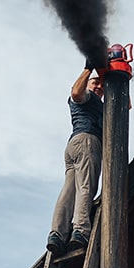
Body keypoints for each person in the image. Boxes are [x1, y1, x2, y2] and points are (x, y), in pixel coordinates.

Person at [46, 60, 104, 255]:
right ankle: (80, 231)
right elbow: (76, 93)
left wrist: (118, 80)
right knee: (86, 186)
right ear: (88, 83)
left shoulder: (100, 103)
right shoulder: (86, 96)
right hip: (87, 141)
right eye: (95, 83)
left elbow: (126, 106)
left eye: (101, 85)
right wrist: (89, 69)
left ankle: (58, 234)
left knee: (69, 190)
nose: (99, 87)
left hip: (73, 145)